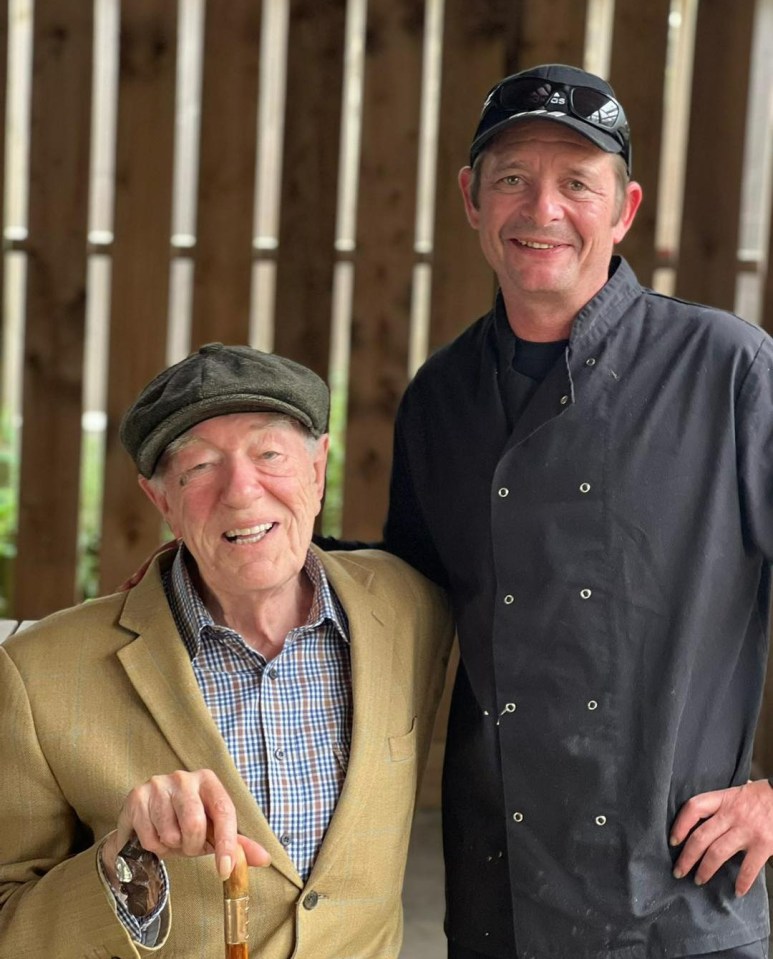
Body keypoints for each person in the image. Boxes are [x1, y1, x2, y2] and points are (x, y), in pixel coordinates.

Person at [379, 64, 773, 958]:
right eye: (512, 177)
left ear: (624, 208)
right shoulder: (440, 397)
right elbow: (403, 603)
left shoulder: (726, 369)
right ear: (470, 198)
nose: (541, 209)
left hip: (680, 903)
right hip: (499, 898)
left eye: (576, 184)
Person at [0, 343, 453, 959]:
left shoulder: (411, 606)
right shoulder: (39, 674)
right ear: (162, 502)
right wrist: (122, 868)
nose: (241, 492)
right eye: (200, 469)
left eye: (270, 455)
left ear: (318, 469)